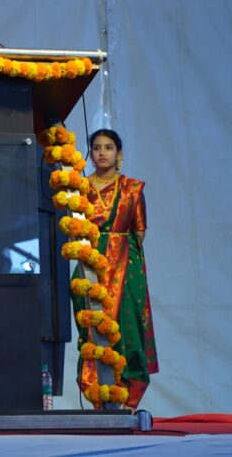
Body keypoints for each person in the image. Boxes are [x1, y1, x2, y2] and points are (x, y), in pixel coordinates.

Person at [75, 129, 157, 409]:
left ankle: (128, 396)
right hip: (90, 265)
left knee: (129, 325)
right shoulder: (81, 188)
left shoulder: (132, 189)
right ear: (91, 153)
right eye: (96, 147)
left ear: (118, 154)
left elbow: (140, 232)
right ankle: (99, 394)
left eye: (108, 147)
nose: (102, 152)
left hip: (126, 266)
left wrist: (118, 254)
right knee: (91, 327)